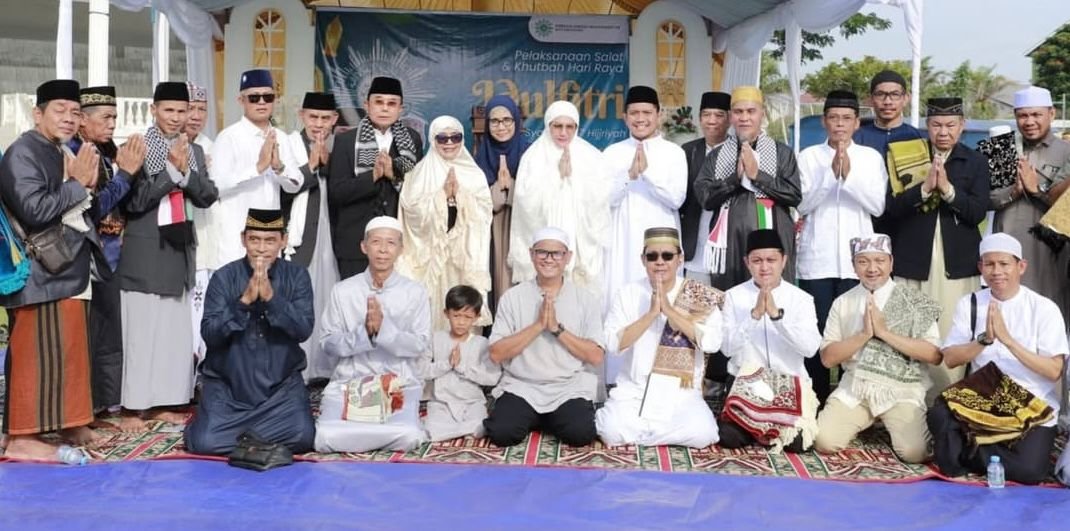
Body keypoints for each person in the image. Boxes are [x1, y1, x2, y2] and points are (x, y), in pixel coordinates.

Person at [0, 80, 102, 459]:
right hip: (38, 272)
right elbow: (34, 210)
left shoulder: (58, 149)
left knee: (69, 350)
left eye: (75, 112)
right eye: (60, 110)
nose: (69, 118)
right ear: (37, 113)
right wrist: (77, 184)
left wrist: (84, 184)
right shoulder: (23, 152)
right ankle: (22, 437)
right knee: (36, 354)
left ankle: (69, 421)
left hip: (65, 266)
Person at [118, 81, 219, 431]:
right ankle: (133, 407)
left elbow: (208, 195)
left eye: (182, 111)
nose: (176, 118)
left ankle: (162, 403)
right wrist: (172, 173)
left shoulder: (193, 150)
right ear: (153, 110)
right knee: (142, 333)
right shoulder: (137, 147)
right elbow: (134, 202)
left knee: (173, 335)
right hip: (146, 251)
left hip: (179, 249)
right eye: (169, 110)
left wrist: (186, 173)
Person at [929, 233, 1067, 484]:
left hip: (1031, 402)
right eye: (989, 264)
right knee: (938, 414)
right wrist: (984, 340)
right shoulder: (971, 303)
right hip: (983, 396)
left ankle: (967, 451)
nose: (996, 271)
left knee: (1030, 472)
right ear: (981, 268)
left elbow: (1054, 371)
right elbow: (950, 358)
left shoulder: (1043, 308)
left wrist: (1009, 341)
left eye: (1004, 264)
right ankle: (985, 449)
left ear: (1021, 266)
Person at [883, 97, 990, 401]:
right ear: (927, 126)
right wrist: (924, 189)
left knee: (949, 334)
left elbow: (977, 212)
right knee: (906, 333)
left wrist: (948, 190)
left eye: (950, 125)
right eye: (936, 125)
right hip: (912, 259)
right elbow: (891, 209)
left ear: (962, 126)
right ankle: (905, 405)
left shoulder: (975, 161)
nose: (943, 132)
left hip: (956, 263)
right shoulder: (906, 155)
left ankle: (946, 406)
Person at [184, 209, 316, 455]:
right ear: (243, 239)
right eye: (254, 240)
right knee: (205, 442)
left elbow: (303, 330)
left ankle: (244, 435)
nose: (261, 249)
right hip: (228, 388)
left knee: (303, 437)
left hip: (280, 389)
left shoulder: (297, 276)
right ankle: (241, 431)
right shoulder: (224, 277)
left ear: (283, 241)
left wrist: (272, 299)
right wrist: (243, 302)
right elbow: (210, 334)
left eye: (270, 241)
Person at [813, 234, 942, 463]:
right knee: (824, 441)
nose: (872, 269)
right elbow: (827, 359)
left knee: (915, 453)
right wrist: (864, 335)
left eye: (879, 261)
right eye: (863, 262)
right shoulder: (843, 302)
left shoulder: (914, 300)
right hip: (857, 387)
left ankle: (893, 421)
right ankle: (865, 420)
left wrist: (884, 333)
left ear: (891, 263)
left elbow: (934, 355)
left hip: (901, 390)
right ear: (854, 266)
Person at [796, 90, 887, 404]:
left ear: (856, 123)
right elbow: (802, 205)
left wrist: (848, 176)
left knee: (856, 331)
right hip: (817, 259)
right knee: (817, 332)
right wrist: (829, 176)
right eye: (833, 118)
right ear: (824, 121)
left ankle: (853, 402)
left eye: (846, 118)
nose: (839, 124)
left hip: (857, 262)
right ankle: (816, 400)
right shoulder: (809, 157)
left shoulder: (870, 158)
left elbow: (877, 206)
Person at [596, 227, 722, 448]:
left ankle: (643, 435)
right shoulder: (628, 293)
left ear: (680, 259)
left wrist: (671, 312)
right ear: (643, 260)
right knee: (610, 431)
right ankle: (661, 435)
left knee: (704, 434)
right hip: (635, 390)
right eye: (652, 256)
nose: (660, 262)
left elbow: (712, 343)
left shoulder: (698, 295)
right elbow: (613, 344)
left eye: (667, 256)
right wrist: (651, 315)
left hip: (681, 394)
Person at [315, 216, 430, 453]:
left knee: (408, 436)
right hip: (349, 382)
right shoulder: (343, 291)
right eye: (376, 242)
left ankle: (362, 437)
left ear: (401, 249)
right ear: (364, 247)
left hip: (397, 383)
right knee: (324, 437)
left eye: (391, 243)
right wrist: (365, 334)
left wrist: (384, 331)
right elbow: (328, 343)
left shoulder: (415, 292)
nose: (383, 250)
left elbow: (419, 344)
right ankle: (373, 436)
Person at [483, 227, 605, 447]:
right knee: (502, 434)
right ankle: (540, 418)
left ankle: (548, 418)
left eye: (556, 253)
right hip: (522, 386)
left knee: (580, 434)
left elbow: (596, 356)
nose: (549, 259)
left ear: (567, 257)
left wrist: (556, 329)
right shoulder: (512, 297)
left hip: (567, 387)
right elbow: (496, 353)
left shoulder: (586, 299)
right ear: (532, 254)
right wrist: (538, 325)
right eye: (542, 252)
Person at [74, 85, 146, 419]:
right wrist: (126, 175)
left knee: (109, 332)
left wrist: (129, 171)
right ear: (83, 120)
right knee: (90, 335)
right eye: (105, 117)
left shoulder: (106, 151)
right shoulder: (76, 152)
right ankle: (85, 406)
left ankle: (104, 404)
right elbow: (92, 208)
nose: (113, 124)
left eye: (115, 117)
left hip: (114, 254)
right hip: (87, 257)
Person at [718, 230, 822, 452]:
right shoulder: (733, 297)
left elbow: (810, 349)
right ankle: (764, 428)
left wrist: (776, 317)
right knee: (729, 437)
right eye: (757, 261)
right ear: (747, 263)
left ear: (783, 261)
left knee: (798, 442)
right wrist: (754, 316)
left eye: (771, 260)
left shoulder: (801, 299)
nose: (764, 267)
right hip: (746, 384)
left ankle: (763, 428)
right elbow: (727, 349)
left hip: (787, 384)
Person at [695, 86, 802, 292]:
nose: (744, 118)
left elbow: (794, 195)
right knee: (731, 299)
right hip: (730, 243)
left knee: (775, 297)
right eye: (738, 112)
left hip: (774, 236)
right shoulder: (717, 155)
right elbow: (705, 198)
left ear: (762, 114)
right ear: (731, 117)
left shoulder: (781, 153)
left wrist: (758, 176)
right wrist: (734, 179)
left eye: (751, 111)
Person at [396, 116, 493, 331]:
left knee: (463, 309)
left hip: (462, 259)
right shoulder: (419, 173)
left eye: (455, 137)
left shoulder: (474, 174)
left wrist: (460, 197)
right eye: (442, 138)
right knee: (433, 312)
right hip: (432, 258)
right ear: (433, 140)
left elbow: (484, 213)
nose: (449, 143)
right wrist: (442, 197)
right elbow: (411, 212)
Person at [510, 100, 610, 296]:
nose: (563, 133)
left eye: (569, 127)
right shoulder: (533, 157)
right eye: (557, 126)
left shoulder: (591, 157)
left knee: (579, 298)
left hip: (580, 243)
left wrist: (571, 179)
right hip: (546, 242)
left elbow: (600, 200)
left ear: (576, 127)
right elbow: (525, 203)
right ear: (548, 125)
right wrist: (556, 179)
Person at [328, 76, 424, 279]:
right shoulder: (346, 141)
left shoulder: (412, 140)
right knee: (355, 297)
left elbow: (419, 193)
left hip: (398, 243)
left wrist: (393, 175)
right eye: (378, 102)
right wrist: (372, 176)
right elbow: (336, 193)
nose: (384, 108)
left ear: (400, 109)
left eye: (391, 103)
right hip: (355, 243)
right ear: (367, 105)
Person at [209, 69, 304, 271]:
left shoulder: (281, 137)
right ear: (241, 100)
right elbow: (216, 186)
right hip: (236, 242)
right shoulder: (228, 137)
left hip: (270, 242)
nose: (262, 102)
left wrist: (279, 168)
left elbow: (295, 185)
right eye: (254, 97)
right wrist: (257, 168)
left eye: (267, 97)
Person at [603, 86, 687, 312]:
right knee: (620, 299)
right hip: (622, 240)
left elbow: (676, 199)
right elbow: (604, 200)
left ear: (659, 115)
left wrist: (648, 174)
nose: (640, 119)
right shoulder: (612, 153)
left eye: (647, 113)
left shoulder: (674, 153)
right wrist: (629, 176)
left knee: (666, 301)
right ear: (625, 117)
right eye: (634, 113)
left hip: (661, 238)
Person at [990, 86, 1070, 321]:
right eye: (1023, 115)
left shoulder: (1066, 151)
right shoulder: (1002, 148)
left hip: (1049, 250)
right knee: (1007, 315)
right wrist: (1015, 191)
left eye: (1036, 114)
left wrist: (1037, 190)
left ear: (1051, 114)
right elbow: (991, 199)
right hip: (1007, 248)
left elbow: (1065, 207)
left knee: (1049, 315)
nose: (1029, 121)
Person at [280, 91, 342, 383]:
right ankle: (298, 368)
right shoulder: (288, 143)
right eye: (313, 117)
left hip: (331, 233)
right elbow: (283, 189)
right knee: (299, 298)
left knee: (329, 298)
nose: (319, 123)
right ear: (302, 115)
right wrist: (312, 165)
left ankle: (325, 367)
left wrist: (329, 163)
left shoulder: (341, 146)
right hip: (300, 234)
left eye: (325, 118)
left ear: (335, 119)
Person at [417, 285, 501, 442]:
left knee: (480, 424)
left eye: (467, 317)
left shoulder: (482, 343)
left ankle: (457, 431)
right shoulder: (435, 338)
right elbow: (421, 371)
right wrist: (447, 364)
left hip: (472, 402)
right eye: (456, 316)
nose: (461, 322)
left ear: (477, 317)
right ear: (446, 313)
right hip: (441, 402)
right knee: (431, 429)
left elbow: (492, 378)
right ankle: (462, 431)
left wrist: (462, 368)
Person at [474, 95, 529, 311]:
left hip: (524, 227)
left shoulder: (531, 155)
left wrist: (512, 186)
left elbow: (538, 198)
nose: (501, 126)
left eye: (507, 120)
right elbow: (474, 204)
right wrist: (498, 189)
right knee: (499, 282)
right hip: (493, 229)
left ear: (516, 121)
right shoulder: (479, 159)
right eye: (495, 121)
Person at [187, 81, 222, 370]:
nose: (196, 116)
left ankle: (201, 371)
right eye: (190, 108)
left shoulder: (213, 147)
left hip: (207, 242)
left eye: (202, 109)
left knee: (202, 310)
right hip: (176, 244)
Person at [680, 91, 731, 284]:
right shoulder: (688, 151)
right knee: (695, 297)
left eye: (719, 115)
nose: (712, 121)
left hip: (726, 239)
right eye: (706, 115)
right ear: (699, 118)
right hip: (694, 236)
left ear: (729, 119)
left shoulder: (739, 150)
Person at [853, 70, 924, 162]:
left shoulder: (917, 138)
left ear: (906, 99)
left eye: (895, 94)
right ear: (871, 99)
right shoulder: (856, 138)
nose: (887, 102)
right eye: (880, 94)